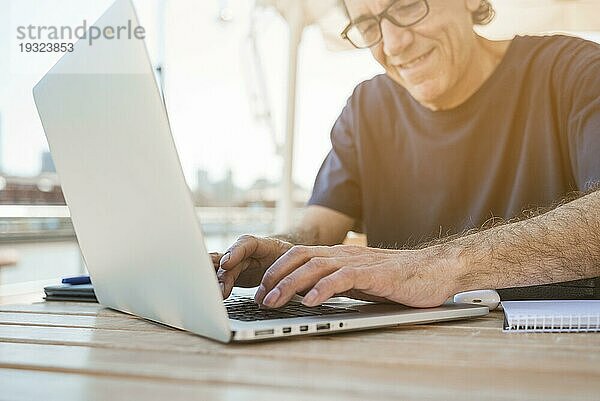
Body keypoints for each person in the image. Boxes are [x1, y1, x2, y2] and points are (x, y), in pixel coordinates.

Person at [212, 0, 600, 309]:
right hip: (395, 359)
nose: (393, 43)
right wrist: (281, 257)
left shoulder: (576, 72)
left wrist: (431, 267)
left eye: (409, 5)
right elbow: (316, 231)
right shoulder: (367, 107)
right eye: (368, 24)